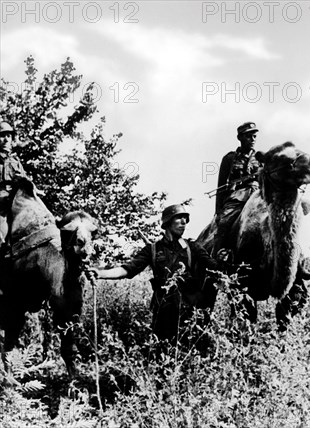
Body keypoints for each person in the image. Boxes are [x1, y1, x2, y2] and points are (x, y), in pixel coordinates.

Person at [91, 204, 222, 342]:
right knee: (161, 353)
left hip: (188, 311)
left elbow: (215, 268)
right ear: (167, 222)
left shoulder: (193, 247)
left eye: (185, 219)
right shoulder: (152, 250)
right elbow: (128, 269)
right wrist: (100, 274)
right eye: (179, 218)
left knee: (189, 352)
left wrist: (223, 261)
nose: (184, 223)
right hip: (163, 313)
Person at [213, 122, 262, 254]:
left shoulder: (261, 158)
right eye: (248, 136)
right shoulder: (229, 158)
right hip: (237, 198)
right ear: (240, 137)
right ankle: (217, 258)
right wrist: (218, 211)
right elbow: (221, 187)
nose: (252, 139)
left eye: (254, 136)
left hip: (258, 196)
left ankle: (297, 262)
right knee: (224, 224)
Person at [0, 121, 28, 248]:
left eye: (8, 136)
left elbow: (25, 180)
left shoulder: (15, 161)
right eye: (2, 135)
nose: (6, 139)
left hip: (17, 202)